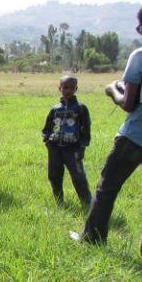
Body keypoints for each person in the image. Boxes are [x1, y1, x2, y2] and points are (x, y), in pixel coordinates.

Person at [76, 3, 142, 259]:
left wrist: (112, 90)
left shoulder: (141, 56)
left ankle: (92, 237)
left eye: (140, 26)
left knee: (106, 188)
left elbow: (128, 103)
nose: (139, 31)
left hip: (135, 137)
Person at [41, 75, 92, 207]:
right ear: (60, 88)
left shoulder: (80, 108)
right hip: (55, 148)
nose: (68, 90)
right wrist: (47, 141)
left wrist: (82, 147)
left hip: (73, 149)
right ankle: (59, 202)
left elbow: (86, 128)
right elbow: (47, 127)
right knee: (54, 175)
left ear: (76, 89)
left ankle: (87, 204)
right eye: (65, 87)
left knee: (78, 176)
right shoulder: (55, 108)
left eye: (71, 88)